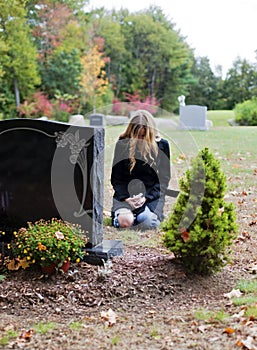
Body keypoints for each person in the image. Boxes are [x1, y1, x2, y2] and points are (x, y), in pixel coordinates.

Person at [110, 109, 171, 230]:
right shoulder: (122, 144)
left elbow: (164, 179)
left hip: (151, 196)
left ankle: (142, 216)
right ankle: (126, 217)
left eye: (143, 136)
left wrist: (146, 197)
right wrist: (126, 198)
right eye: (137, 135)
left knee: (146, 221)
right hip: (126, 195)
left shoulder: (162, 146)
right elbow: (116, 178)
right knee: (125, 222)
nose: (140, 139)